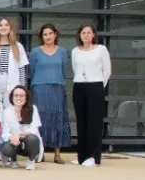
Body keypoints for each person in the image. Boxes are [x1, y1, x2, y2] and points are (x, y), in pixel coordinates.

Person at [28, 23, 72, 164]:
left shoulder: (62, 52)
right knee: (40, 119)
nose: (48, 36)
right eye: (45, 34)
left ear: (55, 35)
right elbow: (31, 71)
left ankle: (57, 154)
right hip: (39, 88)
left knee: (57, 119)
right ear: (42, 37)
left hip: (57, 88)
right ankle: (39, 152)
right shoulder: (35, 52)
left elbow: (63, 71)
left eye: (50, 33)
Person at [71, 24, 111, 167]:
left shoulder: (101, 49)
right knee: (81, 121)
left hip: (95, 86)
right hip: (79, 86)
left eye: (89, 32)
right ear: (79, 35)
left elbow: (107, 71)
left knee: (94, 122)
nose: (86, 35)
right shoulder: (75, 51)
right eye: (83, 33)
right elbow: (75, 68)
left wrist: (99, 86)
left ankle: (94, 156)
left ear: (93, 35)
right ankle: (82, 155)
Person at [0, 17, 29, 104]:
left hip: (13, 85)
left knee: (11, 109)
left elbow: (21, 69)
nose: (3, 27)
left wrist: (22, 87)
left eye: (6, 25)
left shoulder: (18, 46)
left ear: (10, 28)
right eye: (0, 25)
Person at [0, 86, 43, 170]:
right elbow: (5, 133)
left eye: (22, 95)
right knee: (6, 148)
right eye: (16, 95)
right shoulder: (7, 111)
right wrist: (12, 138)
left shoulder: (33, 109)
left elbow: (34, 129)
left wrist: (19, 135)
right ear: (12, 97)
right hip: (15, 141)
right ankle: (13, 159)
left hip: (28, 141)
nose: (19, 98)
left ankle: (31, 160)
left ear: (26, 97)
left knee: (32, 138)